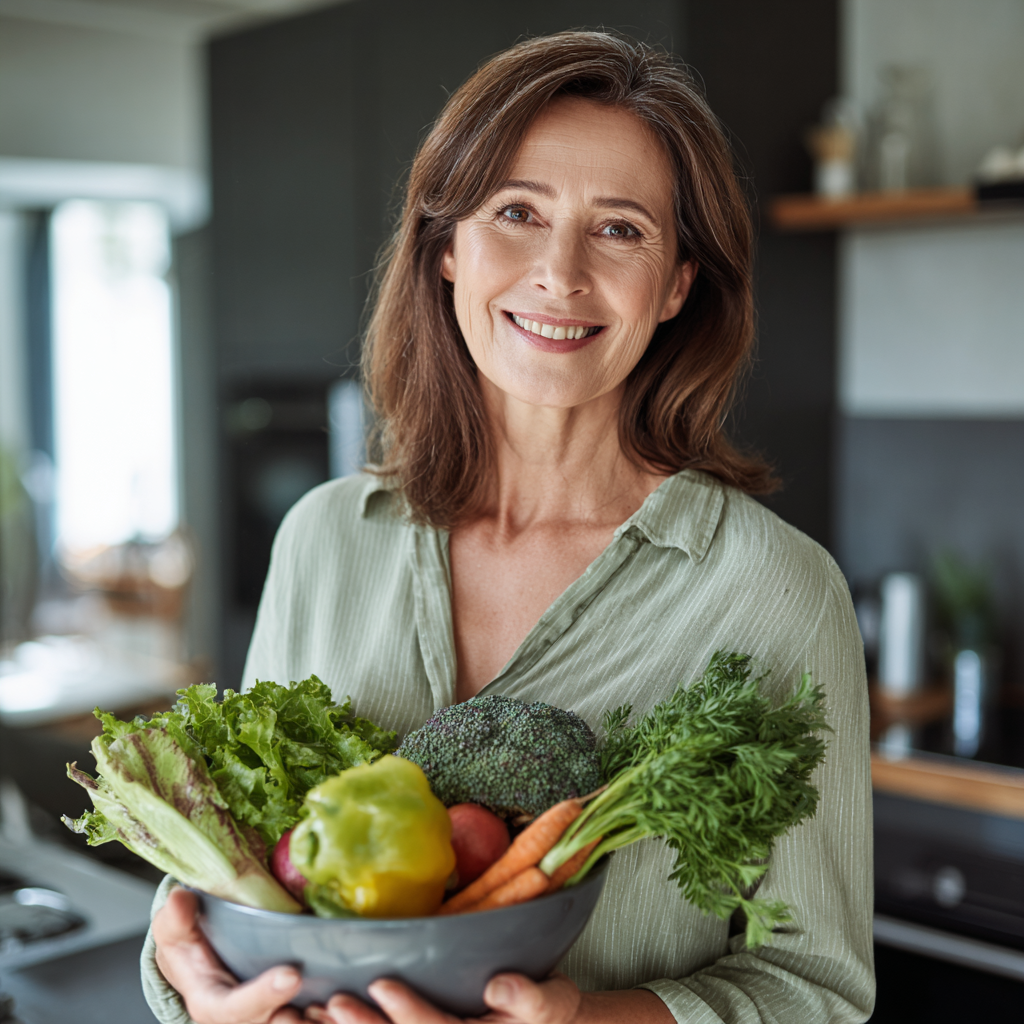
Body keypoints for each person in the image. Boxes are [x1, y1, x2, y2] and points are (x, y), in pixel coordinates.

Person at [144, 30, 874, 1024]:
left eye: (619, 230)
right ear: (446, 247)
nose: (560, 273)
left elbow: (816, 991)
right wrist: (195, 987)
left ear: (675, 286)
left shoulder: (775, 589)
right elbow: (232, 868)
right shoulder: (324, 537)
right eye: (517, 212)